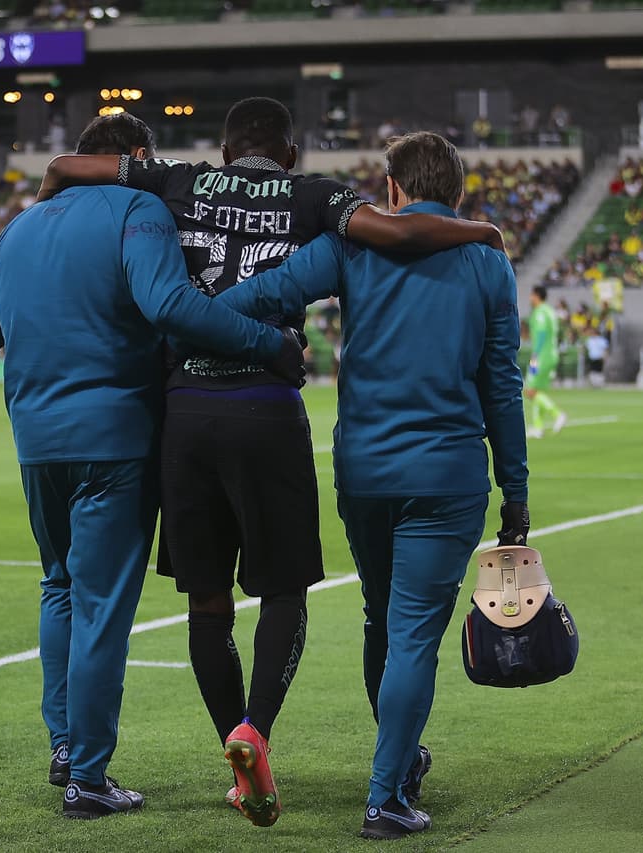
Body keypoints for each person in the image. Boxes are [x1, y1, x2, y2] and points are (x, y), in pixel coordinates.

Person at [37, 96, 504, 828]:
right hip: (265, 407)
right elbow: (395, 231)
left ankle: (233, 743)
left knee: (206, 601)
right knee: (284, 593)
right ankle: (256, 729)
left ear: (223, 153)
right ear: (289, 154)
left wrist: (46, 198)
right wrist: (479, 227)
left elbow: (69, 166)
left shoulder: (174, 180)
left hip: (185, 410)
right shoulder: (315, 195)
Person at [0, 113, 305, 822]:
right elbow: (168, 303)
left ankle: (64, 746)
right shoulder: (141, 207)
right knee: (101, 606)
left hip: (34, 437)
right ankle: (89, 776)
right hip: (113, 436)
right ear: (135, 158)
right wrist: (265, 341)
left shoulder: (20, 227)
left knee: (57, 585)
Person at [213, 131, 529, 840]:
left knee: (380, 619)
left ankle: (402, 759)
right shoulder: (484, 260)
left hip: (363, 469)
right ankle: (386, 795)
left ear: (390, 191)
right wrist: (516, 491)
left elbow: (255, 296)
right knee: (414, 634)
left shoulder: (351, 246)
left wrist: (238, 339)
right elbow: (501, 388)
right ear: (457, 194)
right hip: (445, 475)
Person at [525, 285, 567, 438]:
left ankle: (557, 414)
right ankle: (538, 428)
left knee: (529, 390)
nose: (530, 298)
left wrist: (535, 356)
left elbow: (541, 333)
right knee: (538, 392)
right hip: (551, 354)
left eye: (531, 295)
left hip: (541, 356)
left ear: (537, 296)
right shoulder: (550, 311)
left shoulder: (540, 312)